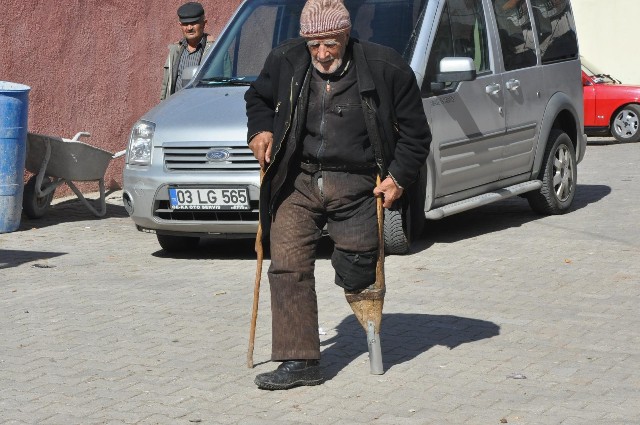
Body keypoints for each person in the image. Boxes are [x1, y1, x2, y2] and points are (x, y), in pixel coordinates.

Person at [245, 0, 431, 390]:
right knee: (288, 263)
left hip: (358, 182)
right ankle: (301, 362)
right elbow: (257, 99)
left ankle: (359, 299)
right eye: (314, 45)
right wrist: (260, 131)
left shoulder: (386, 67)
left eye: (330, 43)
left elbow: (416, 134)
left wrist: (397, 177)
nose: (322, 53)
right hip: (298, 178)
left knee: (359, 268)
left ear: (346, 35)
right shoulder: (286, 60)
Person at [160, 2, 214, 100]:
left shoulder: (215, 50)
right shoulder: (174, 50)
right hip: (176, 109)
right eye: (185, 24)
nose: (189, 28)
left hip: (203, 108)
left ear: (204, 23)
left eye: (193, 23)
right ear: (180, 25)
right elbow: (165, 87)